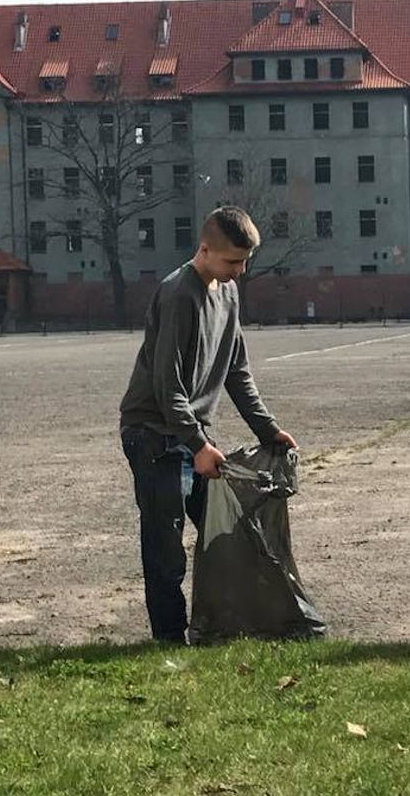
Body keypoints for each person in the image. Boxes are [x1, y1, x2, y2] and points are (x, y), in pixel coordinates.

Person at [119, 206, 297, 644]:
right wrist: (197, 444)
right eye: (231, 262)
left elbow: (237, 370)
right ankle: (168, 637)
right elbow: (167, 384)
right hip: (153, 433)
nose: (238, 271)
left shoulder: (228, 293)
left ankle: (229, 621)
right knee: (165, 546)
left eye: (244, 262)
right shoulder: (179, 293)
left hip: (189, 434)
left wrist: (267, 430)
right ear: (204, 249)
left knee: (229, 533)